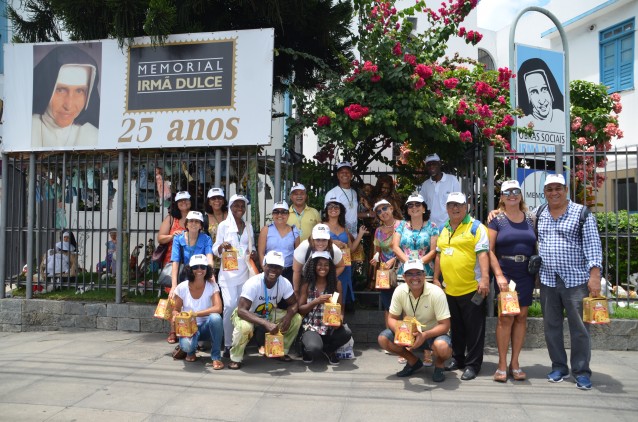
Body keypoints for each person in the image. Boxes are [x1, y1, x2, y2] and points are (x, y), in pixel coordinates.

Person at [537, 174, 602, 390]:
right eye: (549, 189)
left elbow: (593, 246)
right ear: (544, 192)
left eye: (558, 188)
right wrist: (496, 212)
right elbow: (513, 214)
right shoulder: (540, 213)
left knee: (580, 328)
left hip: (576, 281)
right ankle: (559, 367)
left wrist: (594, 277)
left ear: (566, 190)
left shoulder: (581, 213)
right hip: (548, 279)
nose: (554, 193)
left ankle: (581, 371)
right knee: (551, 327)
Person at [433, 192, 489, 381]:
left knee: (475, 330)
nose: (455, 208)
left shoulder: (476, 227)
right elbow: (439, 255)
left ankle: (473, 365)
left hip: (472, 288)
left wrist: (485, 279)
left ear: (466, 207)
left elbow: (483, 254)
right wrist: (435, 278)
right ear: (447, 208)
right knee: (456, 328)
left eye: (459, 205)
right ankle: (458, 359)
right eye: (451, 205)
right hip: (450, 289)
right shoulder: (443, 228)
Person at [487, 180, 536, 382]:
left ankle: (515, 362)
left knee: (522, 316)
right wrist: (498, 274)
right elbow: (489, 250)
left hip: (526, 273)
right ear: (502, 197)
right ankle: (501, 363)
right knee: (506, 317)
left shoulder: (531, 219)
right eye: (508, 192)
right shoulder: (496, 220)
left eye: (516, 191)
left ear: (521, 195)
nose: (512, 195)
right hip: (505, 272)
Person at [377, 260, 453, 382]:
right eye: (410, 274)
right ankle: (413, 361)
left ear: (424, 275)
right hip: (410, 334)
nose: (414, 278)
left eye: (418, 273)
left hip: (433, 334)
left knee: (443, 348)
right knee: (383, 339)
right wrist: (402, 331)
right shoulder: (399, 290)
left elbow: (445, 325)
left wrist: (425, 335)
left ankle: (439, 364)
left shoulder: (436, 292)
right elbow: (391, 318)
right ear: (404, 277)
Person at [228, 251, 302, 369]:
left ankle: (282, 351)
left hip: (268, 313)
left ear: (282, 269)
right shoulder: (253, 283)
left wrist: (288, 316)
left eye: (277, 267)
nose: (273, 270)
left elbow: (294, 304)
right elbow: (242, 310)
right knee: (245, 327)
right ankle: (236, 358)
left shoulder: (284, 283)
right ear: (264, 265)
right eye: (270, 266)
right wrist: (265, 323)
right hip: (247, 314)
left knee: (296, 318)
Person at [392, 193, 439, 366]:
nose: (414, 207)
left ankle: (427, 350)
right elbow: (395, 246)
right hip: (405, 272)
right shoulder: (401, 225)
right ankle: (406, 347)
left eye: (417, 204)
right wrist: (409, 264)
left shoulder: (433, 226)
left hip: (425, 272)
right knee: (406, 310)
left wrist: (418, 264)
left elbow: (434, 250)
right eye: (410, 205)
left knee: (428, 311)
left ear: (424, 208)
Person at [213, 194, 257, 358]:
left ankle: (240, 342)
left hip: (245, 273)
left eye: (242, 206)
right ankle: (228, 344)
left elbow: (249, 247)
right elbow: (214, 249)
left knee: (243, 309)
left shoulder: (248, 226)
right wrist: (221, 246)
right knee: (230, 306)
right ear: (230, 207)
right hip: (228, 275)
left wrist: (251, 252)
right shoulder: (223, 226)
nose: (239, 209)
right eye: (236, 206)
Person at [31, 44, 100, 148]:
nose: (69, 105)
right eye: (60, 90)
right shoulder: (25, 128)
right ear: (45, 89)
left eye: (79, 91)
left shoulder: (94, 136)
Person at [298, 251, 352, 365]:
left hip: (329, 329)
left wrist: (339, 321)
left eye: (326, 264)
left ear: (330, 267)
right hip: (312, 327)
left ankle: (329, 350)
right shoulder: (307, 284)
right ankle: (306, 349)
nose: (323, 267)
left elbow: (341, 310)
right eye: (319, 264)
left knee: (346, 333)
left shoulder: (336, 284)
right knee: (314, 348)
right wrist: (316, 301)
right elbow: (301, 309)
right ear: (314, 266)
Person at [171, 254, 224, 369]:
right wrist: (176, 316)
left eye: (203, 267)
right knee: (188, 347)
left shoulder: (212, 285)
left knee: (216, 318)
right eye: (195, 267)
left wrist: (195, 314)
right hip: (189, 327)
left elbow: (218, 308)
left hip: (206, 327)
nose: (199, 270)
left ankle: (216, 357)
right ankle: (189, 350)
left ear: (207, 269)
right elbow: (175, 309)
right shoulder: (182, 287)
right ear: (190, 269)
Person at [324, 197, 368, 309]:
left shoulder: (344, 229)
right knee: (329, 290)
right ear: (326, 210)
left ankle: (340, 318)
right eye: (330, 207)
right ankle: (328, 319)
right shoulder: (321, 226)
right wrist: (332, 242)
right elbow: (314, 242)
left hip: (344, 265)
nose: (333, 209)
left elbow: (352, 249)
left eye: (336, 207)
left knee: (341, 292)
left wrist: (360, 235)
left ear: (340, 210)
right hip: (327, 264)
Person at [370, 199, 401, 329]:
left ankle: (404, 337)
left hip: (401, 270)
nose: (382, 212)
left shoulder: (403, 226)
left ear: (391, 209)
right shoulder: (378, 231)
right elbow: (377, 251)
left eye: (384, 208)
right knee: (388, 305)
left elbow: (406, 249)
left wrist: (394, 259)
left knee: (403, 304)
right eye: (379, 211)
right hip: (384, 272)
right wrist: (375, 258)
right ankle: (389, 336)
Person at [292, 224, 345, 296]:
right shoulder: (304, 247)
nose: (321, 243)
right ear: (312, 239)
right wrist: (296, 291)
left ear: (328, 240)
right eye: (318, 240)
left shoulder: (334, 250)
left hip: (326, 282)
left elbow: (341, 266)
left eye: (324, 240)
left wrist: (329, 277)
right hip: (305, 280)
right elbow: (297, 270)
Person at [517, 58, 565, 134]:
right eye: (534, 92)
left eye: (544, 89)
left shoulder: (562, 117)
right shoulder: (522, 123)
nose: (542, 100)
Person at [258, 201, 300, 283]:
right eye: (276, 212)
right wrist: (266, 271)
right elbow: (261, 253)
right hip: (270, 270)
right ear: (272, 215)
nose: (280, 215)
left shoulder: (294, 231)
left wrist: (296, 273)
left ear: (288, 215)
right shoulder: (266, 230)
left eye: (283, 212)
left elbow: (297, 254)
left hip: (288, 271)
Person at [419, 153, 461, 229]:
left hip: (449, 227)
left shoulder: (452, 180)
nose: (431, 167)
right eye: (429, 165)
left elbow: (458, 204)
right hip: (430, 228)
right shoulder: (425, 185)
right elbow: (422, 206)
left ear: (439, 164)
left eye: (434, 164)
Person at [324, 162, 359, 237]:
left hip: (354, 235)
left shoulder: (354, 192)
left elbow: (353, 212)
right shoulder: (332, 193)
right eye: (342, 172)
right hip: (339, 235)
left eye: (347, 172)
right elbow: (328, 216)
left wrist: (369, 214)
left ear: (351, 175)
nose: (345, 174)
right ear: (337, 175)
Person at [204, 187, 228, 279]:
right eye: (213, 198)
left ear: (223, 201)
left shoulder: (231, 216)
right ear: (209, 202)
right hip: (212, 260)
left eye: (219, 198)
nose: (216, 200)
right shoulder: (205, 219)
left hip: (229, 258)